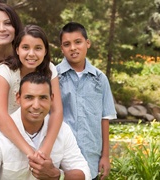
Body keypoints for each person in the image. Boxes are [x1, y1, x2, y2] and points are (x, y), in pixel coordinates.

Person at [0, 72, 92, 180]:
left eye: (43, 98)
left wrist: (57, 175)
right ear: (18, 98)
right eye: (29, 97)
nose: (36, 106)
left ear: (51, 99)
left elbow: (85, 173)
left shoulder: (62, 130)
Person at [56, 22, 117, 180]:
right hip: (62, 158)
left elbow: (105, 118)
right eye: (67, 44)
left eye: (78, 42)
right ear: (62, 48)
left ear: (87, 43)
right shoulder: (54, 76)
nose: (73, 48)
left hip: (92, 157)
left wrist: (105, 156)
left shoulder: (100, 79)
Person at [0, 24, 63, 157]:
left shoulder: (50, 69)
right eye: (25, 48)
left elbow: (57, 110)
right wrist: (30, 152)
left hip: (33, 127)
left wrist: (44, 151)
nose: (31, 54)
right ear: (17, 49)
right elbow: (0, 115)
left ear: (45, 51)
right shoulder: (4, 71)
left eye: (38, 48)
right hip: (2, 130)